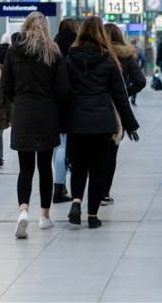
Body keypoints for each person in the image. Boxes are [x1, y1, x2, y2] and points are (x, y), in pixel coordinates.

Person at [64, 16, 139, 229]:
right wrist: (130, 124)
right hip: (101, 123)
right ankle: (93, 216)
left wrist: (62, 120)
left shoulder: (69, 58)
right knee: (97, 169)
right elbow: (120, 96)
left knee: (78, 167)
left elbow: (63, 91)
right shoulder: (108, 60)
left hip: (76, 121)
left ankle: (76, 203)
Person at [1, 12, 70, 238]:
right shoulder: (53, 50)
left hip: (23, 112)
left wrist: (18, 101)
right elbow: (63, 88)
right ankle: (44, 216)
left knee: (25, 168)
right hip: (47, 113)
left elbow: (5, 85)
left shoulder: (13, 49)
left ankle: (23, 211)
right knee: (44, 168)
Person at [102, 23, 146, 205]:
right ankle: (104, 192)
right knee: (111, 152)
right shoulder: (126, 55)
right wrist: (123, 93)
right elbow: (140, 81)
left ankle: (89, 191)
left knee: (96, 151)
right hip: (116, 109)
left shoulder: (98, 53)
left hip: (94, 104)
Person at [52, 18, 79, 204]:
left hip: (52, 101)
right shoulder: (76, 45)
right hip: (71, 100)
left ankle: (58, 185)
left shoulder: (53, 46)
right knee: (64, 145)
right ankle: (59, 187)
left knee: (56, 145)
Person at [129, 38, 146, 106]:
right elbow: (143, 59)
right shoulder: (138, 50)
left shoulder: (126, 50)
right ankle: (133, 99)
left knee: (126, 84)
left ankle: (125, 98)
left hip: (127, 71)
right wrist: (140, 67)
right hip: (135, 70)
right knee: (135, 84)